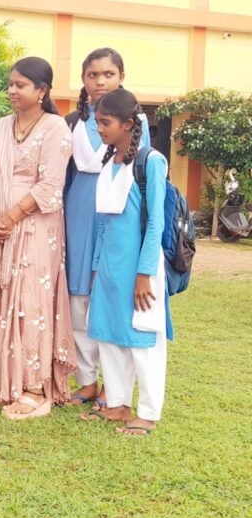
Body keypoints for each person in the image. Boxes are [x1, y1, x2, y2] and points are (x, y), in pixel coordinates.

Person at [0, 57, 75, 420]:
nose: (12, 90)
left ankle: (33, 388)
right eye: (10, 84)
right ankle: (5, 382)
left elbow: (50, 184)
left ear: (41, 90)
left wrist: (9, 218)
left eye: (20, 85)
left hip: (34, 228)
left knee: (29, 300)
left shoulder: (55, 128)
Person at [63, 48, 151, 409]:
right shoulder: (71, 121)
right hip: (78, 212)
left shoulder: (135, 121)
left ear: (121, 77)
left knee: (110, 298)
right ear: (83, 80)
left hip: (116, 218)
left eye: (108, 74)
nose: (100, 81)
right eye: (93, 75)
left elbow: (139, 177)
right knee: (78, 300)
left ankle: (114, 390)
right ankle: (87, 381)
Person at [82, 88, 172, 436]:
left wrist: (144, 273)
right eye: (97, 122)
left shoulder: (151, 161)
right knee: (109, 335)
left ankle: (147, 413)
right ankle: (118, 404)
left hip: (138, 269)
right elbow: (103, 223)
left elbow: (156, 223)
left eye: (106, 122)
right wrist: (96, 267)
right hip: (109, 267)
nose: (100, 129)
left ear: (129, 124)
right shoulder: (109, 162)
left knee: (142, 338)